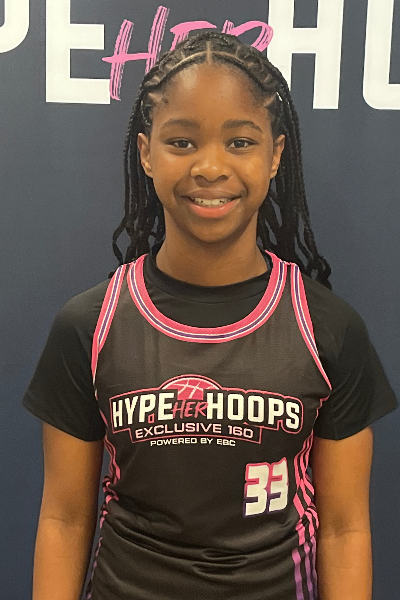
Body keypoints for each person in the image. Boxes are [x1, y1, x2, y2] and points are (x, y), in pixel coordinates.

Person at [23, 32, 397, 600]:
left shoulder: (327, 328)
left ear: (275, 155)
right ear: (146, 153)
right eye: (182, 142)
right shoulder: (90, 325)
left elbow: (345, 530)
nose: (211, 167)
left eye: (240, 142)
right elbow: (64, 520)